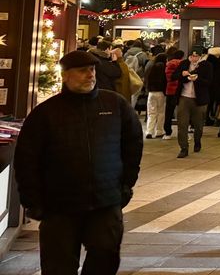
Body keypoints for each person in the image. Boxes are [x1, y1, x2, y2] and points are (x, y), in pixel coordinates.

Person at [14, 50, 143, 275]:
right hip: (59, 205)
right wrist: (32, 200)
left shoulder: (115, 104)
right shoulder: (46, 113)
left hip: (105, 201)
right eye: (82, 71)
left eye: (92, 70)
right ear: (65, 76)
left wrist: (125, 185)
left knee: (105, 256)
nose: (90, 75)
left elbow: (133, 145)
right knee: (59, 265)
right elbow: (27, 159)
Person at [175, 48, 212, 158]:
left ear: (200, 56)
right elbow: (174, 76)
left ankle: (197, 141)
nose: (193, 58)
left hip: (199, 99)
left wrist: (197, 79)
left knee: (198, 124)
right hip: (184, 97)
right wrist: (183, 74)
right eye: (192, 56)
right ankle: (183, 147)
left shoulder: (206, 65)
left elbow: (209, 82)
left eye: (196, 56)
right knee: (182, 124)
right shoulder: (184, 64)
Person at [144, 52, 168, 139]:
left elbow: (146, 79)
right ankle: (159, 130)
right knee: (161, 112)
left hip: (151, 93)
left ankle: (149, 131)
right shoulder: (164, 68)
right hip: (161, 92)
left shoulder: (151, 67)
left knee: (151, 113)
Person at [163, 49, 185, 140]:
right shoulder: (184, 64)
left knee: (168, 112)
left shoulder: (169, 64)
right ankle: (183, 132)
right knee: (183, 112)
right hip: (181, 90)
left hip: (170, 90)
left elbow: (168, 78)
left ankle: (168, 132)